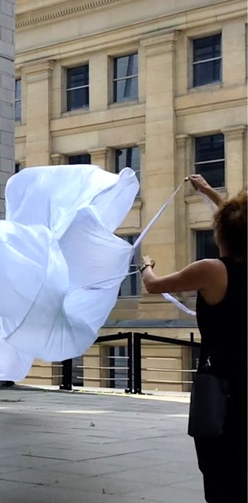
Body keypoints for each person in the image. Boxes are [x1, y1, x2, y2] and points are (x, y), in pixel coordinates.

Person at [140, 174, 247, 503]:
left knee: (219, 472)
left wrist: (146, 266)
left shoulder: (211, 270)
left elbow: (154, 285)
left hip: (220, 386)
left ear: (220, 232)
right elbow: (236, 222)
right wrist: (209, 192)